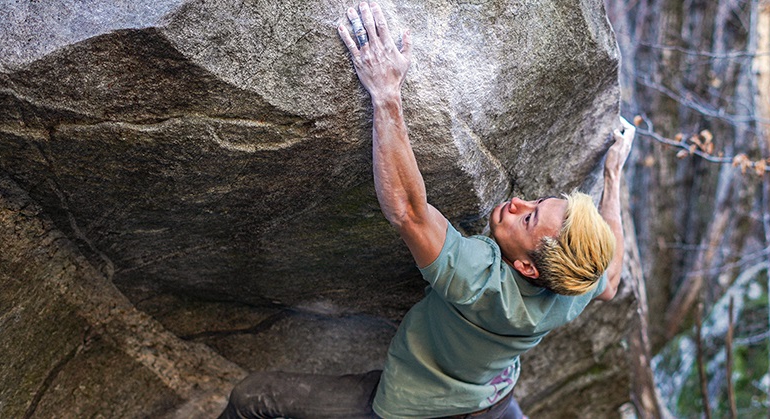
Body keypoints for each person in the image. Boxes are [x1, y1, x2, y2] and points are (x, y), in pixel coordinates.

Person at [219, 3, 635, 418]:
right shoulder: (573, 287)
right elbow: (612, 278)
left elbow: (408, 211)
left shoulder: (480, 280)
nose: (517, 203)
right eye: (537, 201)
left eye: (526, 218)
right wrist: (613, 177)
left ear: (527, 268)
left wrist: (386, 95)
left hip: (416, 409)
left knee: (252, 398)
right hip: (494, 403)